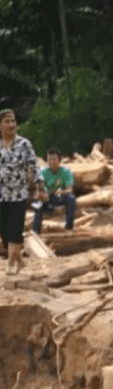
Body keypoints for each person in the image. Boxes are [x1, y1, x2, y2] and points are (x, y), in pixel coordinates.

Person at [0, 108, 45, 274]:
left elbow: (33, 166)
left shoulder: (24, 144)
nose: (11, 124)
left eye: (13, 121)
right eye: (7, 121)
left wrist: (40, 187)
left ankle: (11, 264)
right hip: (1, 196)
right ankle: (19, 260)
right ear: (0, 125)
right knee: (5, 234)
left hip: (19, 195)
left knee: (14, 229)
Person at [33, 147, 77, 234]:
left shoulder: (66, 171)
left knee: (71, 198)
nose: (52, 162)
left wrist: (61, 192)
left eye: (54, 159)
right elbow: (38, 189)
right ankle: (36, 230)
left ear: (59, 160)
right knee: (38, 204)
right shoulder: (42, 172)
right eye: (49, 159)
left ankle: (69, 227)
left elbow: (69, 189)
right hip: (47, 197)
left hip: (60, 196)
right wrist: (42, 195)